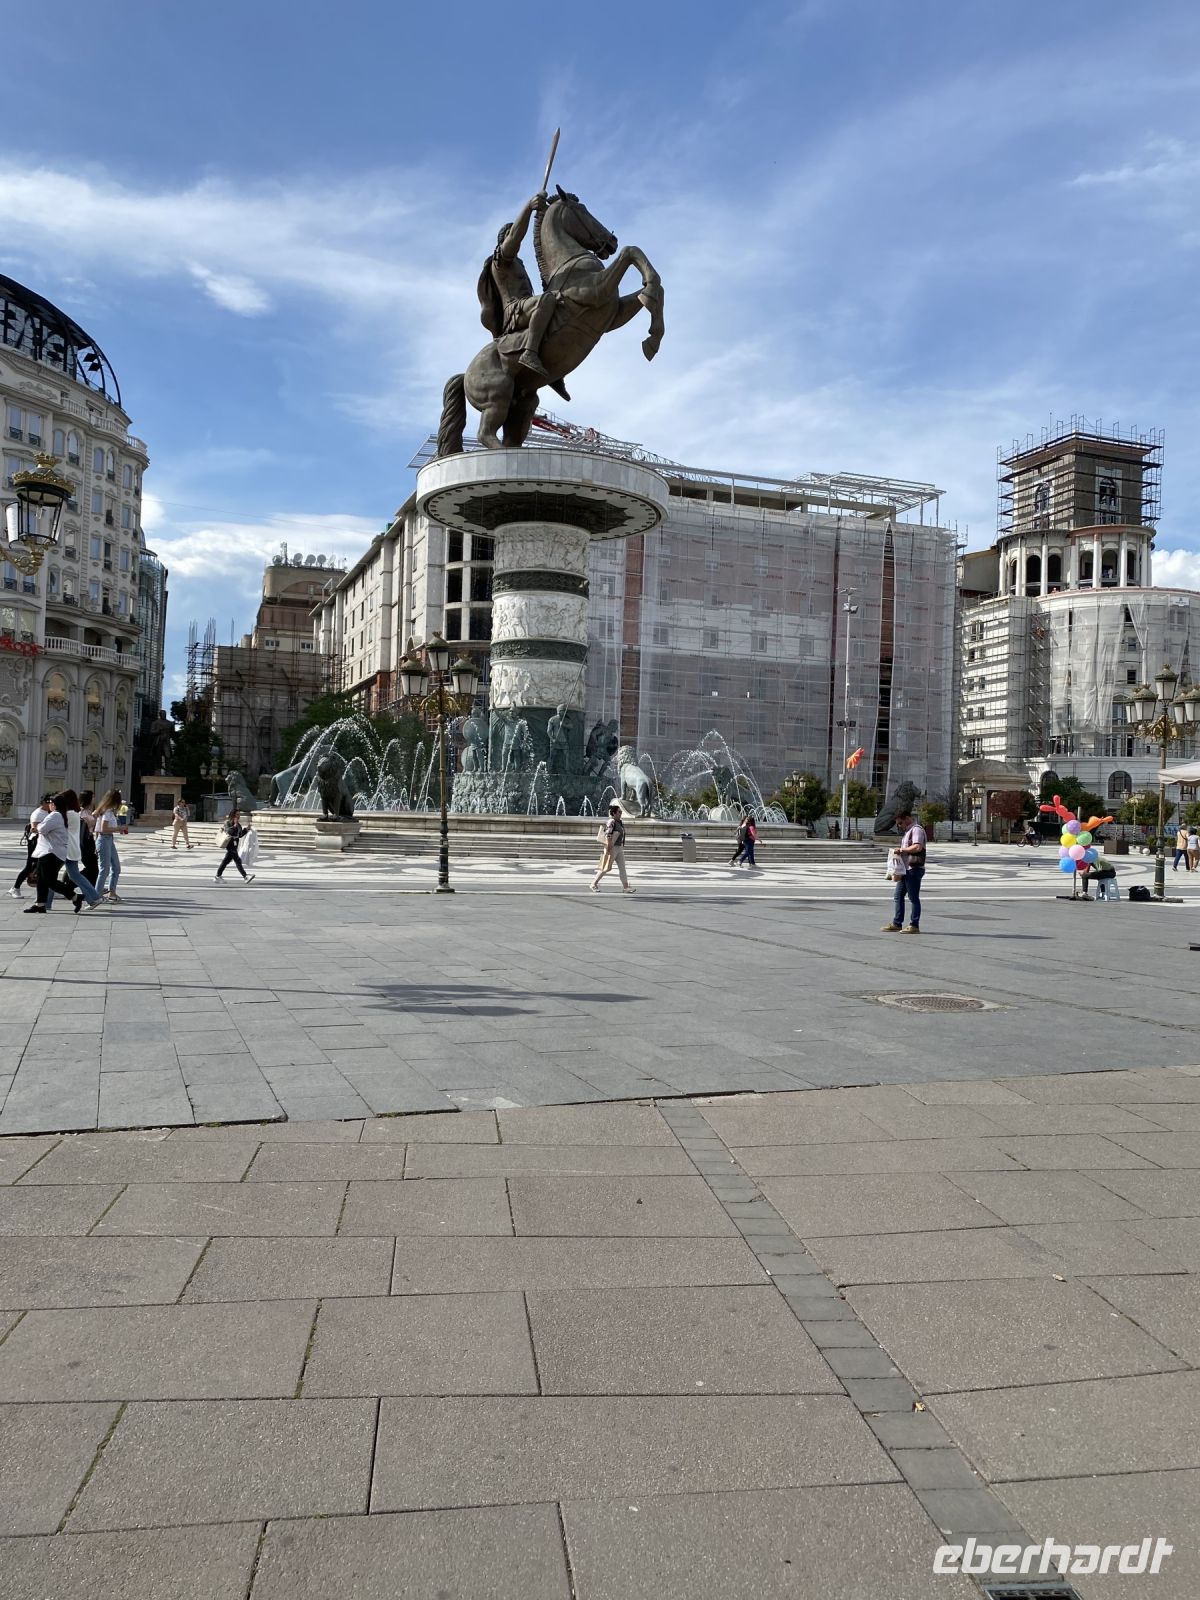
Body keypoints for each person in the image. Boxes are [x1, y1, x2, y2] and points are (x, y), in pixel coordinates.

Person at [48, 791, 103, 913]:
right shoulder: (73, 814)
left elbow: (49, 827)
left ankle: (46, 902)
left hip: (64, 849)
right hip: (70, 848)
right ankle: (93, 897)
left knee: (51, 875)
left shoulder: (67, 814)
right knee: (72, 875)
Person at [882, 809, 927, 934]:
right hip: (905, 869)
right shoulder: (908, 832)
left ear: (908, 818)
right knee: (898, 895)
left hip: (914, 868)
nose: (899, 826)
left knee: (913, 898)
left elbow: (917, 846)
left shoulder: (916, 829)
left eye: (900, 823)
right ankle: (897, 923)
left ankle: (914, 925)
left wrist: (902, 850)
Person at [25, 792, 70, 913]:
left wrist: (37, 828)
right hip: (53, 852)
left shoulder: (55, 815)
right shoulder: (61, 815)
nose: (49, 804)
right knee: (42, 878)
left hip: (50, 852)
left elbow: (43, 829)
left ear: (54, 804)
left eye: (50, 802)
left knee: (49, 880)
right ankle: (40, 904)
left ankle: (74, 896)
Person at [9, 792, 52, 899]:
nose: (51, 805)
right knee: (30, 866)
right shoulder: (37, 813)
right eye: (49, 803)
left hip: (44, 843)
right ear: (44, 803)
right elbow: (35, 828)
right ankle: (15, 888)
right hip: (35, 842)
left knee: (43, 866)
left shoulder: (49, 812)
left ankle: (50, 889)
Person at [590, 803, 634, 894]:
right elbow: (608, 834)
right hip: (612, 847)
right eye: (619, 812)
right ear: (614, 813)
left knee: (622, 868)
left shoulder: (619, 822)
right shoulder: (611, 821)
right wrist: (609, 846)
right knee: (605, 867)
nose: (621, 813)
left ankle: (626, 887)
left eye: (621, 812)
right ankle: (593, 884)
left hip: (619, 847)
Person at [93, 788, 125, 903]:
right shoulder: (107, 812)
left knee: (116, 867)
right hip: (104, 839)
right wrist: (119, 828)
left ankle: (112, 892)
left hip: (108, 839)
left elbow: (99, 829)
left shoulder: (108, 811)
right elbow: (103, 828)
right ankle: (96, 895)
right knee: (104, 870)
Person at [215, 809, 255, 883]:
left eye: (239, 814)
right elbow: (228, 832)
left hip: (235, 844)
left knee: (226, 861)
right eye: (237, 814)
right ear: (233, 815)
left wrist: (246, 829)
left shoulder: (238, 824)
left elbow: (239, 835)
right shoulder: (228, 822)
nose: (238, 816)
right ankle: (245, 877)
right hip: (229, 844)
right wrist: (234, 826)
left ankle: (218, 876)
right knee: (237, 860)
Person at [77, 790, 99, 887]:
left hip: (90, 839)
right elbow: (86, 826)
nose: (94, 799)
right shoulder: (81, 812)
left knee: (93, 867)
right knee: (92, 867)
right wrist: (95, 820)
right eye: (93, 797)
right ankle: (70, 884)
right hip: (84, 841)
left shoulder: (89, 812)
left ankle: (92, 888)